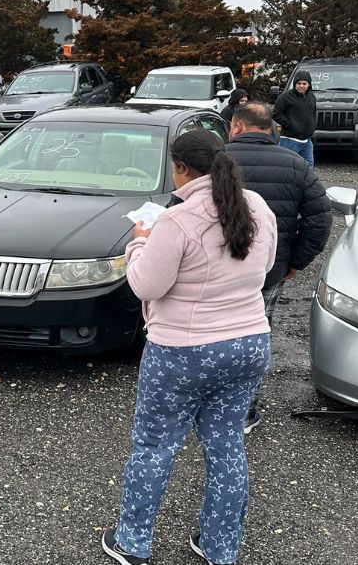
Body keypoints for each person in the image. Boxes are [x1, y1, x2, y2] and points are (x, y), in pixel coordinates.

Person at [101, 130, 277, 565]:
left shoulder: (175, 221)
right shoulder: (256, 206)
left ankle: (133, 543)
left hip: (183, 351)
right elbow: (267, 265)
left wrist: (139, 239)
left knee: (155, 446)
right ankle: (219, 548)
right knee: (226, 445)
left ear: (180, 169)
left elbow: (145, 283)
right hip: (249, 343)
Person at [226, 101, 331, 432]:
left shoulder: (217, 160)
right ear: (271, 127)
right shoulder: (297, 165)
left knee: (210, 333)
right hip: (269, 270)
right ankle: (244, 411)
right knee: (255, 336)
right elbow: (320, 219)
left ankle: (209, 406)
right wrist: (295, 261)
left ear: (238, 127)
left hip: (214, 269)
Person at [272, 70, 316, 166]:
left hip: (307, 141)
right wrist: (290, 125)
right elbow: (276, 114)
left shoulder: (312, 96)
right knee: (286, 167)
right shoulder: (285, 97)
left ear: (309, 84)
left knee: (309, 169)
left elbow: (313, 113)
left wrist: (313, 126)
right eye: (299, 83)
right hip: (289, 140)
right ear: (295, 84)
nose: (301, 86)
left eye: (304, 83)